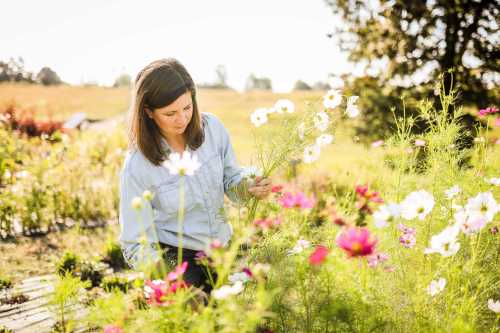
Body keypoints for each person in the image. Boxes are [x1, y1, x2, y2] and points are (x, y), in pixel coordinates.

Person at [119, 58, 272, 294]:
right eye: (170, 113)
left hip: (224, 248)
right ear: (148, 112)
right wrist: (174, 283)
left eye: (187, 107)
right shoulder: (138, 166)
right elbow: (134, 244)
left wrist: (248, 187)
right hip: (179, 262)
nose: (182, 119)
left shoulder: (213, 129)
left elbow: (231, 181)